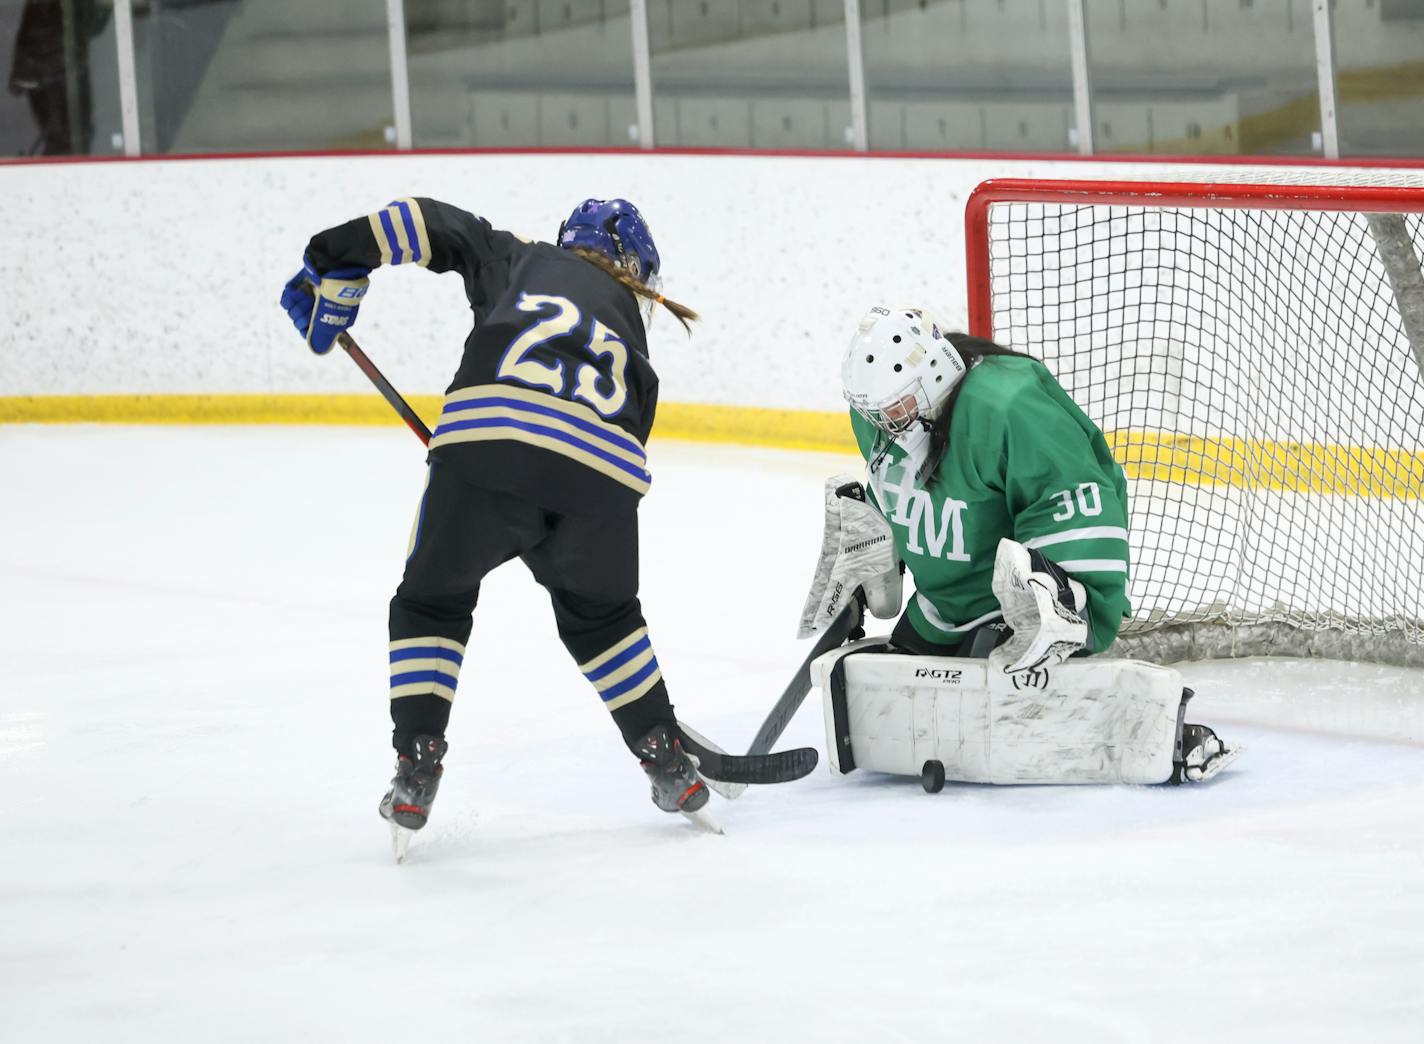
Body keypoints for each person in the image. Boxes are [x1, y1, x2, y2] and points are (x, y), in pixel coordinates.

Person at [279, 197, 710, 839]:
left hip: (488, 447)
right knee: (604, 619)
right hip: (603, 477)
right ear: (635, 270)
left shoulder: (516, 256)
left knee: (432, 603)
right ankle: (664, 755)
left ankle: (418, 759)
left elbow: (424, 221)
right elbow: (630, 435)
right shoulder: (632, 333)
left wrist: (332, 259)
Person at [800, 305, 1236, 785]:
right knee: (889, 694)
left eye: (896, 406)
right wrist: (879, 540)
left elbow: (1073, 495)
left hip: (1015, 605)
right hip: (945, 605)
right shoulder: (880, 416)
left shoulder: (1009, 405)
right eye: (872, 409)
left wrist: (1059, 602)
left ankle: (1163, 733)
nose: (883, 421)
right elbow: (914, 493)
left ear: (936, 374)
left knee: (1020, 700)